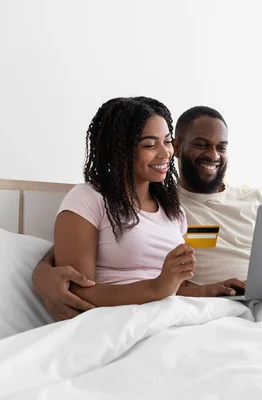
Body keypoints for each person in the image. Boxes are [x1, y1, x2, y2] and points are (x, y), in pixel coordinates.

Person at [32, 105, 262, 321]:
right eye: (200, 144)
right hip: (223, 309)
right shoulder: (177, 206)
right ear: (181, 146)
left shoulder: (251, 199)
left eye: (221, 146)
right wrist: (42, 270)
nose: (212, 155)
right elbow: (92, 249)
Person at [38, 97, 245, 320]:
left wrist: (208, 290)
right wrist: (156, 288)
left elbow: (173, 291)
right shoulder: (88, 199)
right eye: (149, 145)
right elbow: (77, 292)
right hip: (118, 322)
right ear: (119, 150)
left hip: (171, 317)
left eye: (166, 142)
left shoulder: (174, 213)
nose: (165, 153)